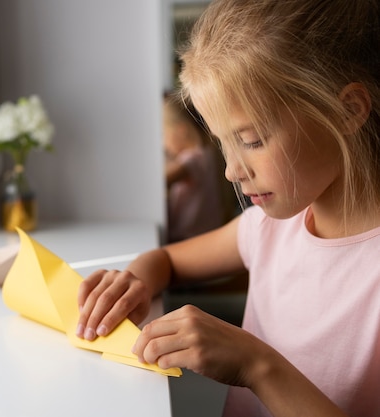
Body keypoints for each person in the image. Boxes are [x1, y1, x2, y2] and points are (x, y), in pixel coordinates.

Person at [76, 0, 380, 416]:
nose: (231, 171)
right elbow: (165, 260)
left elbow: (257, 366)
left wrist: (256, 365)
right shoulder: (268, 228)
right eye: (222, 143)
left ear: (347, 111)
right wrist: (136, 282)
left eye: (252, 140)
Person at [162, 92, 228, 242]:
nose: (163, 144)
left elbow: (163, 180)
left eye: (163, 134)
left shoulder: (193, 160)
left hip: (190, 237)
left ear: (181, 131)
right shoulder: (208, 152)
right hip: (205, 232)